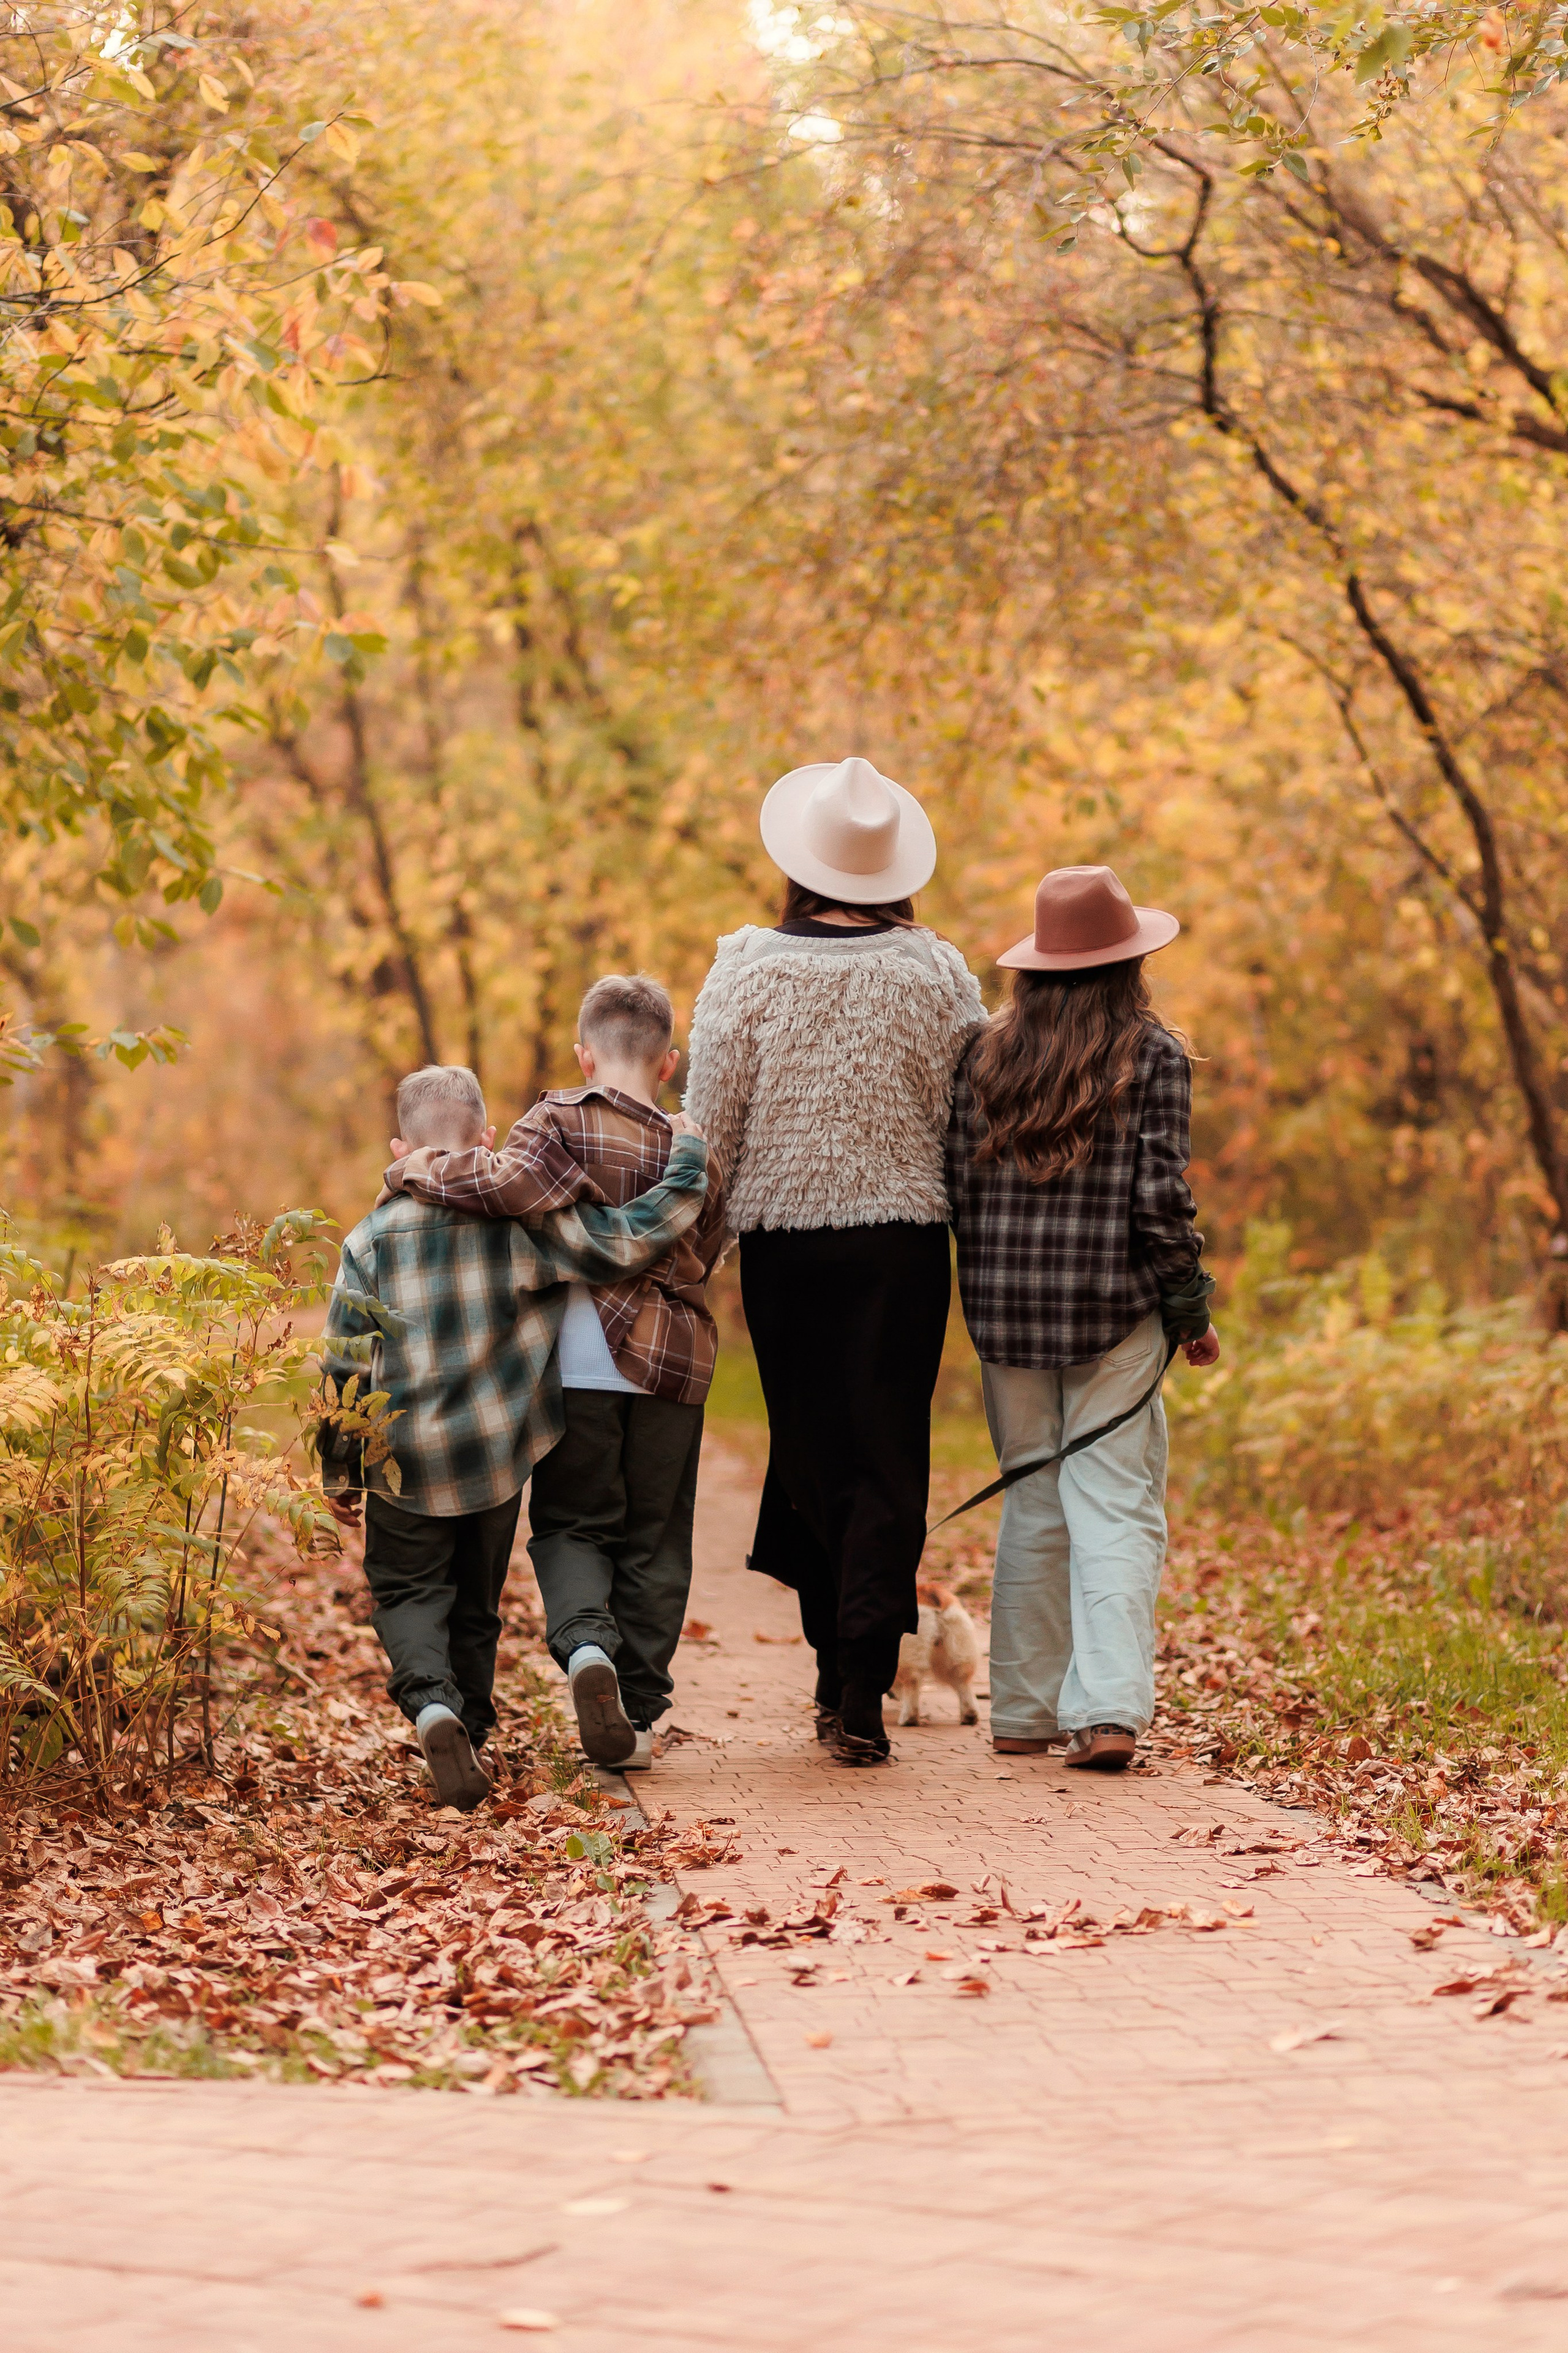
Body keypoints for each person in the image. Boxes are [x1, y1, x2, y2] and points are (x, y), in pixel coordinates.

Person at [684, 754, 985, 1764]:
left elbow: (710, 1127)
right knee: (888, 1454)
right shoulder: (938, 970)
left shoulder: (747, 965)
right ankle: (858, 1679)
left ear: (800, 862)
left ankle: (837, 1667)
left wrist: (692, 1247)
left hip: (787, 1250)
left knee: (813, 1450)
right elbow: (968, 1120)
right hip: (903, 1246)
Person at [318, 1061, 712, 1811]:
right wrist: (688, 1160)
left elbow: (344, 1363)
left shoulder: (367, 1241)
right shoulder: (519, 1225)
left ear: (399, 1148)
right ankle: (470, 1720)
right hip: (497, 1458)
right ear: (487, 1137)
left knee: (405, 1589)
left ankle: (433, 1706)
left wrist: (341, 1472)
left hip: (403, 1461)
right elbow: (630, 1240)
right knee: (476, 1602)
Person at [945, 866, 1219, 1774]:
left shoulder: (980, 1053)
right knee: (1113, 1506)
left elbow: (957, 1189)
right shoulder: (1154, 1055)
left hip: (1005, 1317)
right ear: (1129, 961)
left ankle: (1021, 1710)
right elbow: (1159, 1199)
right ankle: (1104, 1711)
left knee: (1032, 1498)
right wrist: (1189, 1312)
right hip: (1112, 1311)